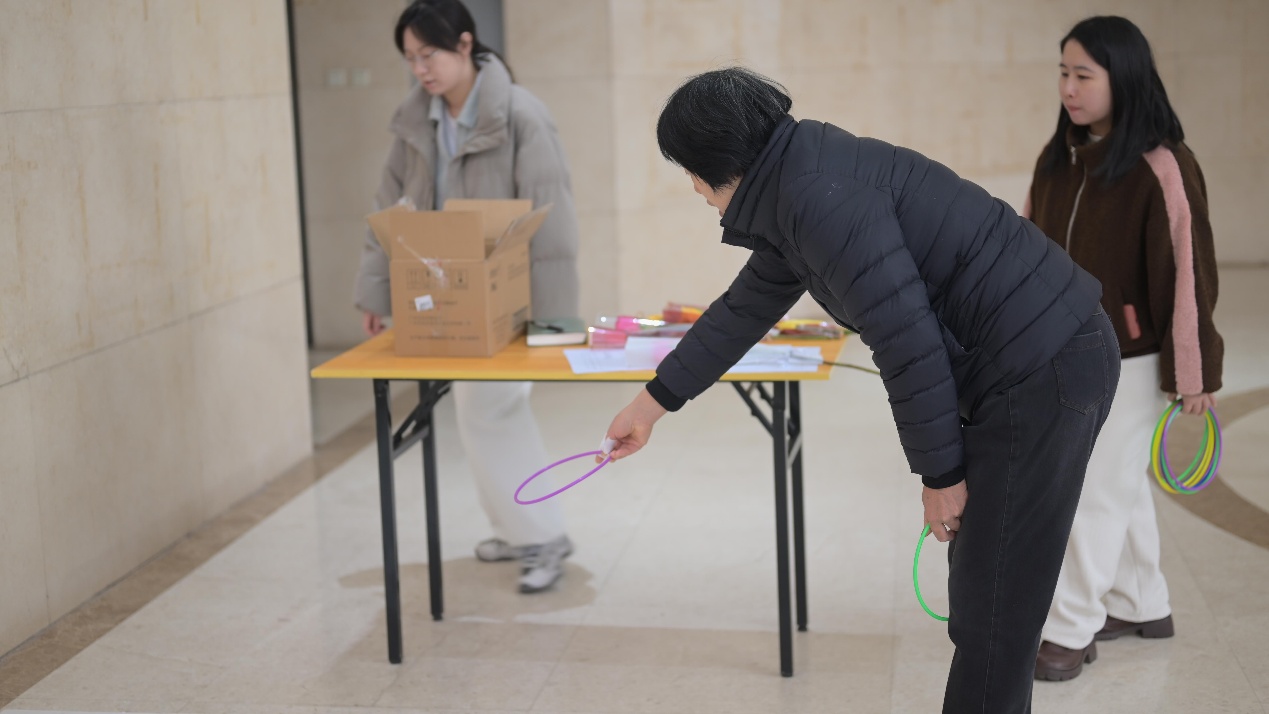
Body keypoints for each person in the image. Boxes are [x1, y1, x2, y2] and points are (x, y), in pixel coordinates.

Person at [599, 67, 1120, 713]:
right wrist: (651, 404)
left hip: (1045, 366)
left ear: (720, 163)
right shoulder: (800, 178)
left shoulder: (819, 197)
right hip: (1038, 357)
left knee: (994, 613)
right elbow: (744, 307)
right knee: (986, 601)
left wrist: (940, 476)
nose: (694, 189)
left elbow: (906, 342)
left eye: (691, 172)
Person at [353, 0, 581, 593]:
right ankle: (515, 528)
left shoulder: (521, 114)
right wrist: (377, 293)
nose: (419, 69)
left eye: (428, 54)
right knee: (477, 413)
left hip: (508, 299)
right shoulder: (416, 122)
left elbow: (552, 222)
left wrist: (554, 321)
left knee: (491, 411)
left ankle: (542, 537)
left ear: (463, 44)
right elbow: (389, 210)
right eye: (410, 58)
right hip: (449, 301)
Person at [1026, 16, 1223, 681]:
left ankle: (1069, 628)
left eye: (1083, 75)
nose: (1068, 88)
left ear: (1124, 78)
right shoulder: (1059, 159)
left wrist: (1193, 371)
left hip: (1131, 359)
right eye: (1063, 73)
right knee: (1118, 483)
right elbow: (1027, 248)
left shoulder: (1161, 165)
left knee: (1091, 493)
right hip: (1066, 352)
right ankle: (1142, 603)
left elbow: (1189, 271)